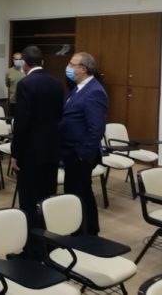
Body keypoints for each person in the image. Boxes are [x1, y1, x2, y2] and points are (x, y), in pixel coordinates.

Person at [11, 46, 64, 229]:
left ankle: (32, 239)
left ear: (24, 64)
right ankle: (48, 235)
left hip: (30, 152)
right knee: (47, 196)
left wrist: (16, 153)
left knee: (29, 198)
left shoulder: (25, 84)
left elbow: (22, 123)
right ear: (42, 62)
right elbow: (60, 115)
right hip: (52, 150)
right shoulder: (56, 83)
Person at [59, 52, 108, 235]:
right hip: (71, 151)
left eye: (72, 64)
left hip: (80, 153)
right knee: (76, 192)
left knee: (81, 193)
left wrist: (82, 154)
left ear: (83, 69)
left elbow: (96, 129)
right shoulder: (78, 88)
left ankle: (87, 232)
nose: (68, 67)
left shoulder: (94, 91)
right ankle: (80, 229)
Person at [5, 52, 25, 117]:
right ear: (13, 60)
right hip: (13, 100)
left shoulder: (26, 70)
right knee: (13, 118)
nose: (18, 61)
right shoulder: (9, 71)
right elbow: (8, 84)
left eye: (20, 59)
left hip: (24, 100)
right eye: (16, 59)